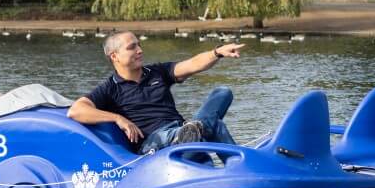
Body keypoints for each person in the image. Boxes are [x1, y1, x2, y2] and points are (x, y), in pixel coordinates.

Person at [68, 31, 244, 153]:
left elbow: (193, 64)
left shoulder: (158, 72)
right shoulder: (110, 88)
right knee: (214, 125)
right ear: (114, 56)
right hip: (153, 143)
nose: (140, 50)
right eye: (132, 47)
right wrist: (118, 118)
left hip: (180, 128)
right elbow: (76, 110)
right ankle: (190, 134)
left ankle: (196, 135)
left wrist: (217, 52)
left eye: (139, 45)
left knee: (223, 92)